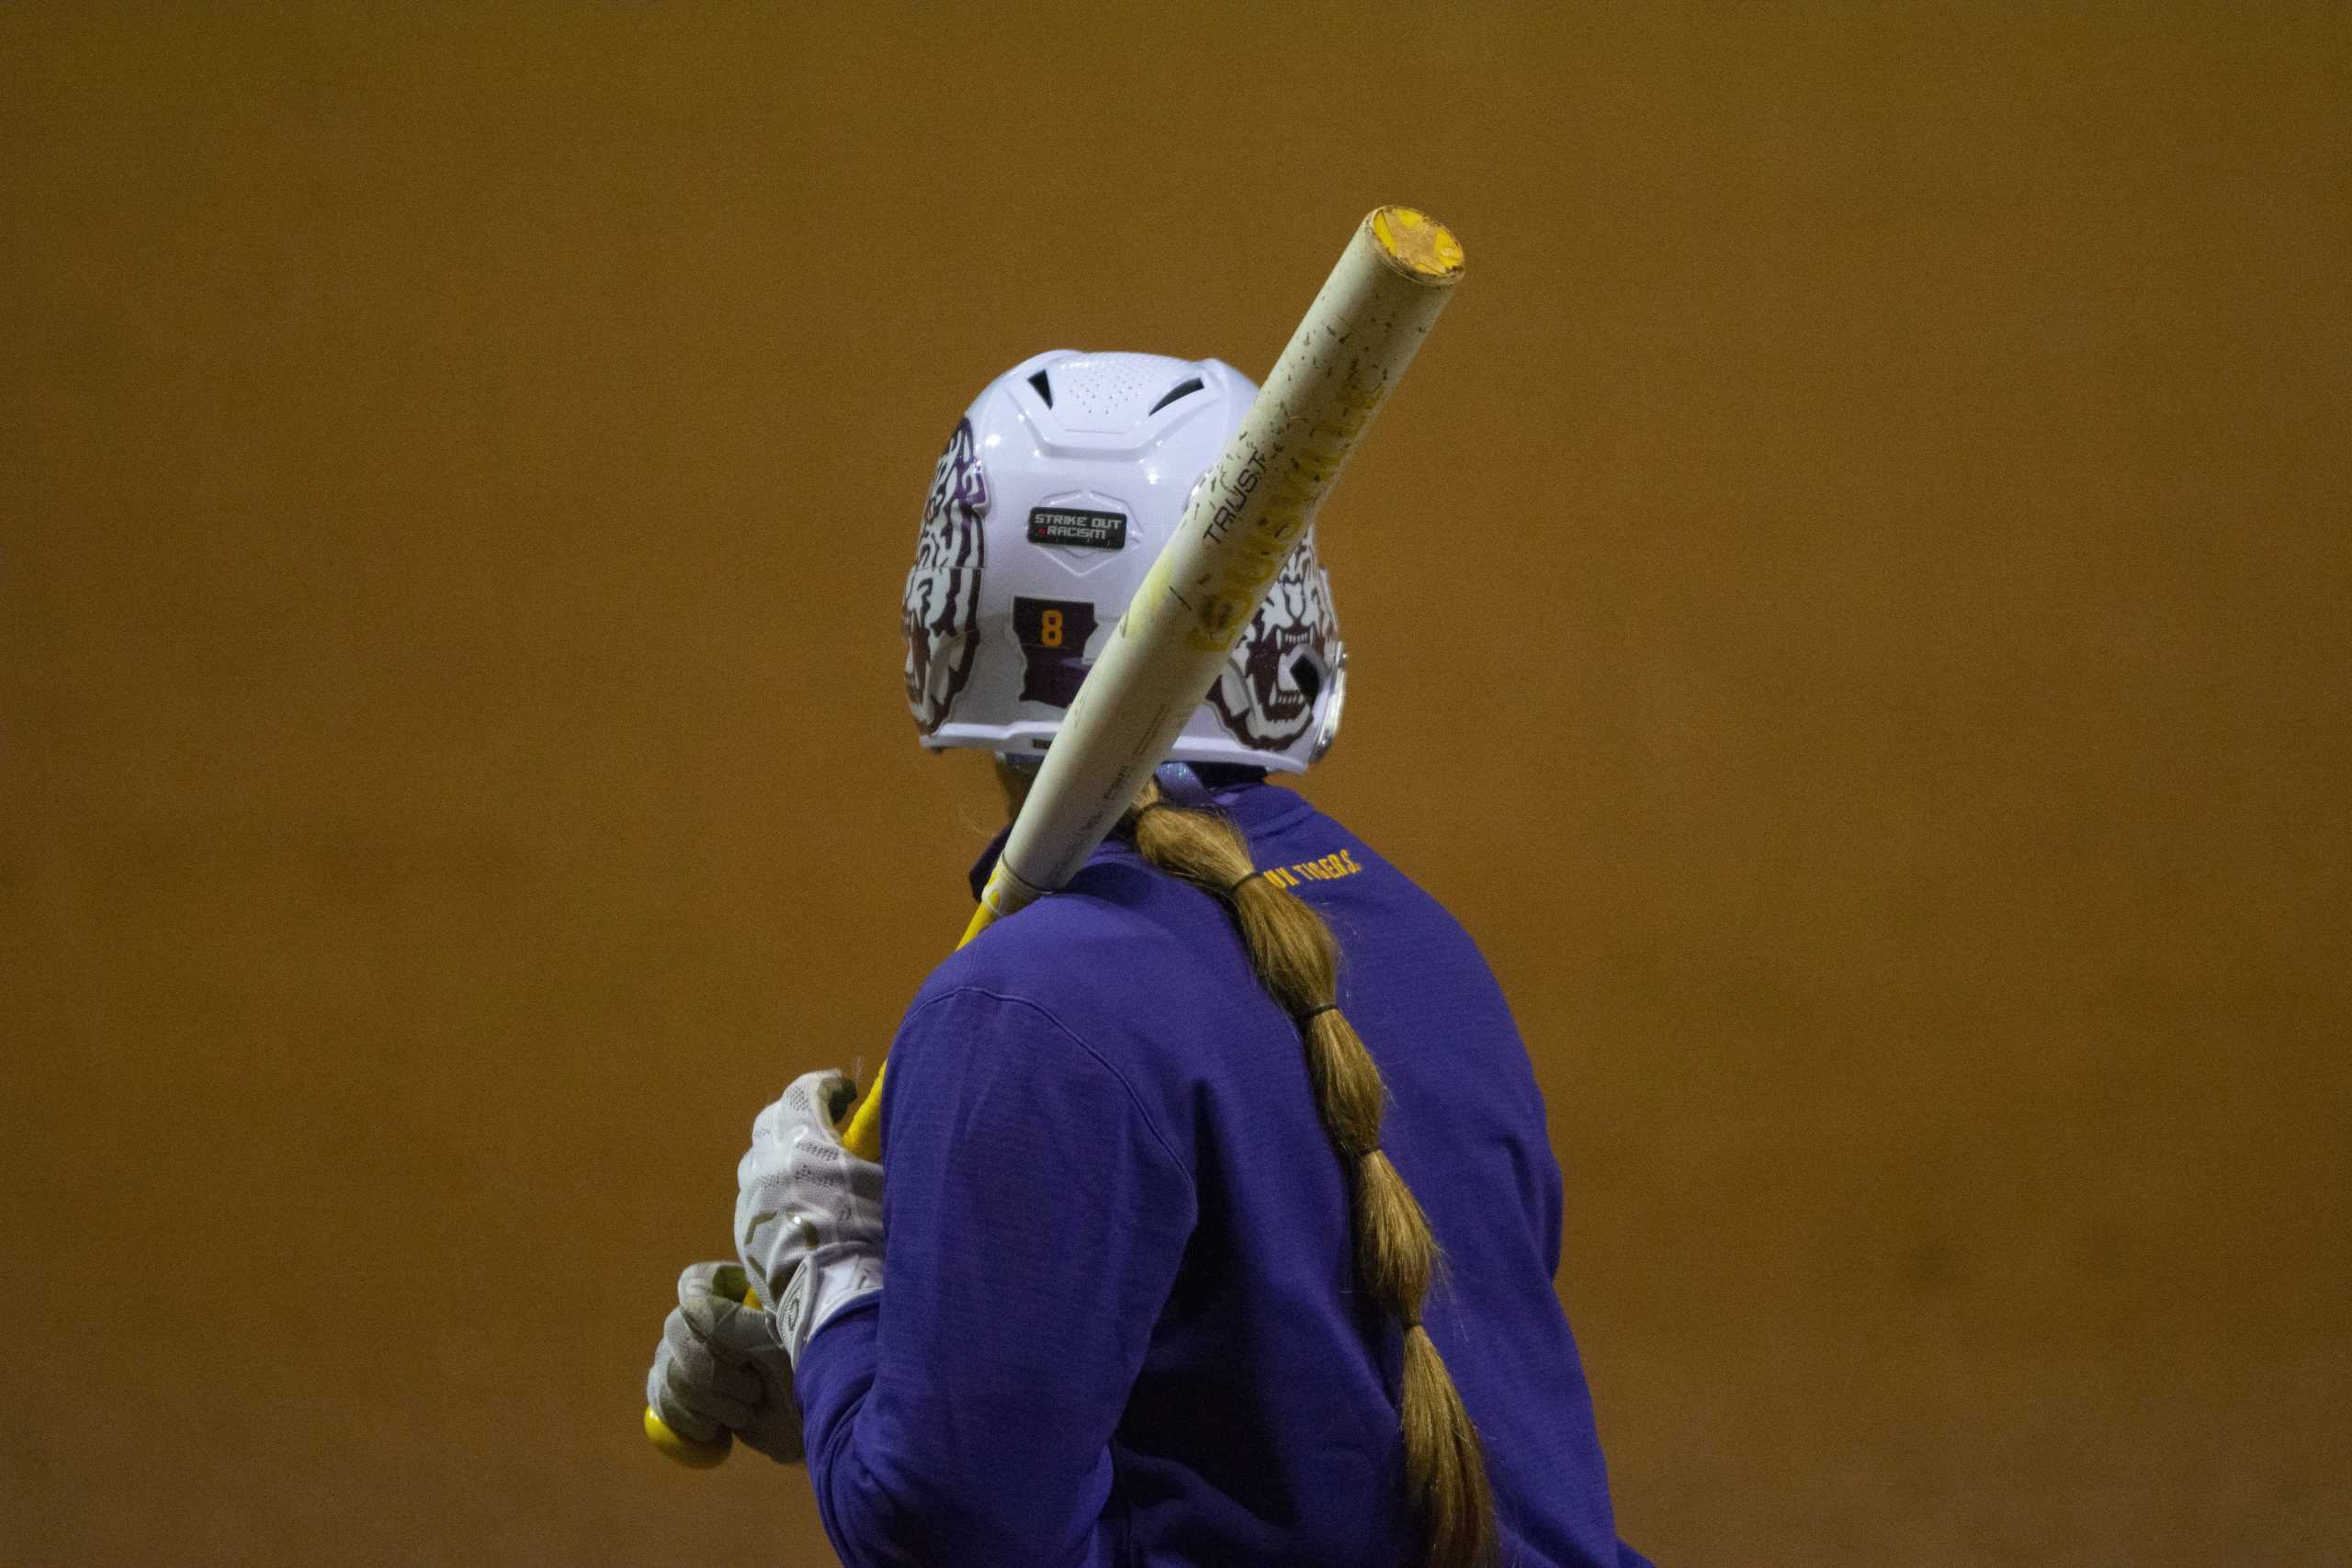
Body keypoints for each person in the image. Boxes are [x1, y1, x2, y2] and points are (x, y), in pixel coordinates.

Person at [647, 351, 1653, 1568]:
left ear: (953, 613)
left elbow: (953, 1546)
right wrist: (871, 1375)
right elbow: (1304, 1424)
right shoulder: (1422, 944)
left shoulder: (1025, 1012)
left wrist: (831, 1281)